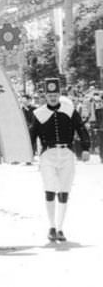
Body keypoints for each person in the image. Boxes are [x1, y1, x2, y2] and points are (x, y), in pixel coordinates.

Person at [29, 78, 91, 242]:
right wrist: (28, 152)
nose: (53, 98)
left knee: (64, 190)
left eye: (55, 94)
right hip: (48, 155)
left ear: (59, 94)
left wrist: (85, 147)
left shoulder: (70, 110)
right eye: (50, 95)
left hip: (67, 154)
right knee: (50, 189)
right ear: (45, 96)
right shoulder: (39, 113)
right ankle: (51, 226)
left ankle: (60, 227)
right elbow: (32, 134)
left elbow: (81, 128)